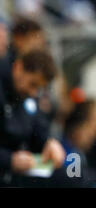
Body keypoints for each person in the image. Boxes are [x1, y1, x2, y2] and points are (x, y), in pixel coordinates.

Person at [0, 49, 66, 187]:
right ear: (18, 67)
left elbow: (37, 128)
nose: (33, 92)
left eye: (39, 88)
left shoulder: (26, 99)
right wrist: (9, 160)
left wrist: (49, 142)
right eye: (32, 84)